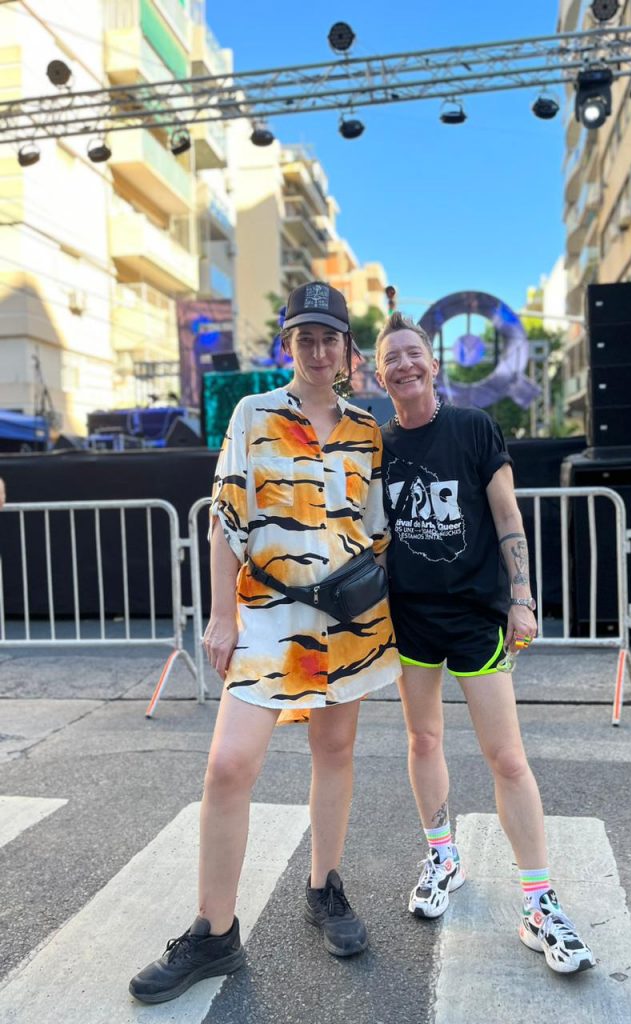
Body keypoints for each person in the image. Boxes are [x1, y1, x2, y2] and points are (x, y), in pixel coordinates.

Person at [129, 283, 401, 1004]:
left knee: (334, 751)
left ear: (346, 348)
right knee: (228, 766)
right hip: (268, 616)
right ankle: (214, 931)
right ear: (289, 346)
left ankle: (324, 886)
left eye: (329, 338)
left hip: (348, 620)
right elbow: (225, 519)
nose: (318, 350)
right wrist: (221, 617)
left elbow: (376, 532)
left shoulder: (367, 430)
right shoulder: (253, 414)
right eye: (305, 338)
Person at [374, 312, 595, 975]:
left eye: (414, 353)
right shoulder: (378, 444)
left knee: (507, 757)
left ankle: (539, 903)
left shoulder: (473, 428)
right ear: (379, 376)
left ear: (434, 364)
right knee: (423, 740)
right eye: (392, 358)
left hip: (476, 614)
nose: (405, 365)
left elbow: (506, 515)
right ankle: (443, 857)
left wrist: (522, 598)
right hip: (411, 617)